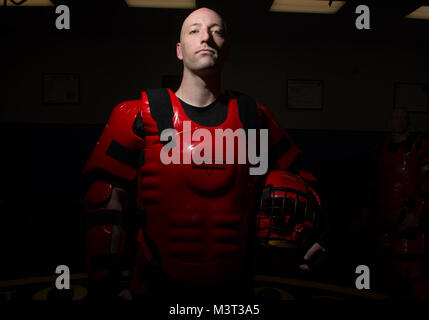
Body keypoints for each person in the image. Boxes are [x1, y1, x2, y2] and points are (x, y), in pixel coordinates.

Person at [82, 7, 326, 300]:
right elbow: (105, 203)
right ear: (179, 50)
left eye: (217, 31)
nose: (206, 37)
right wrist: (106, 283)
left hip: (234, 286)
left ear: (227, 50)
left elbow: (300, 180)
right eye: (194, 30)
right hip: (156, 281)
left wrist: (311, 238)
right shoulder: (136, 115)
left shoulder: (253, 117)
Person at [366, 107, 429, 297]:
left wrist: (419, 213)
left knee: (410, 268)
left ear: (408, 122)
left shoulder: (421, 146)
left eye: (403, 118)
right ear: (389, 122)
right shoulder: (380, 149)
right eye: (395, 118)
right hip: (384, 217)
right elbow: (373, 183)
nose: (399, 122)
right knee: (385, 268)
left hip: (407, 217)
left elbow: (428, 181)